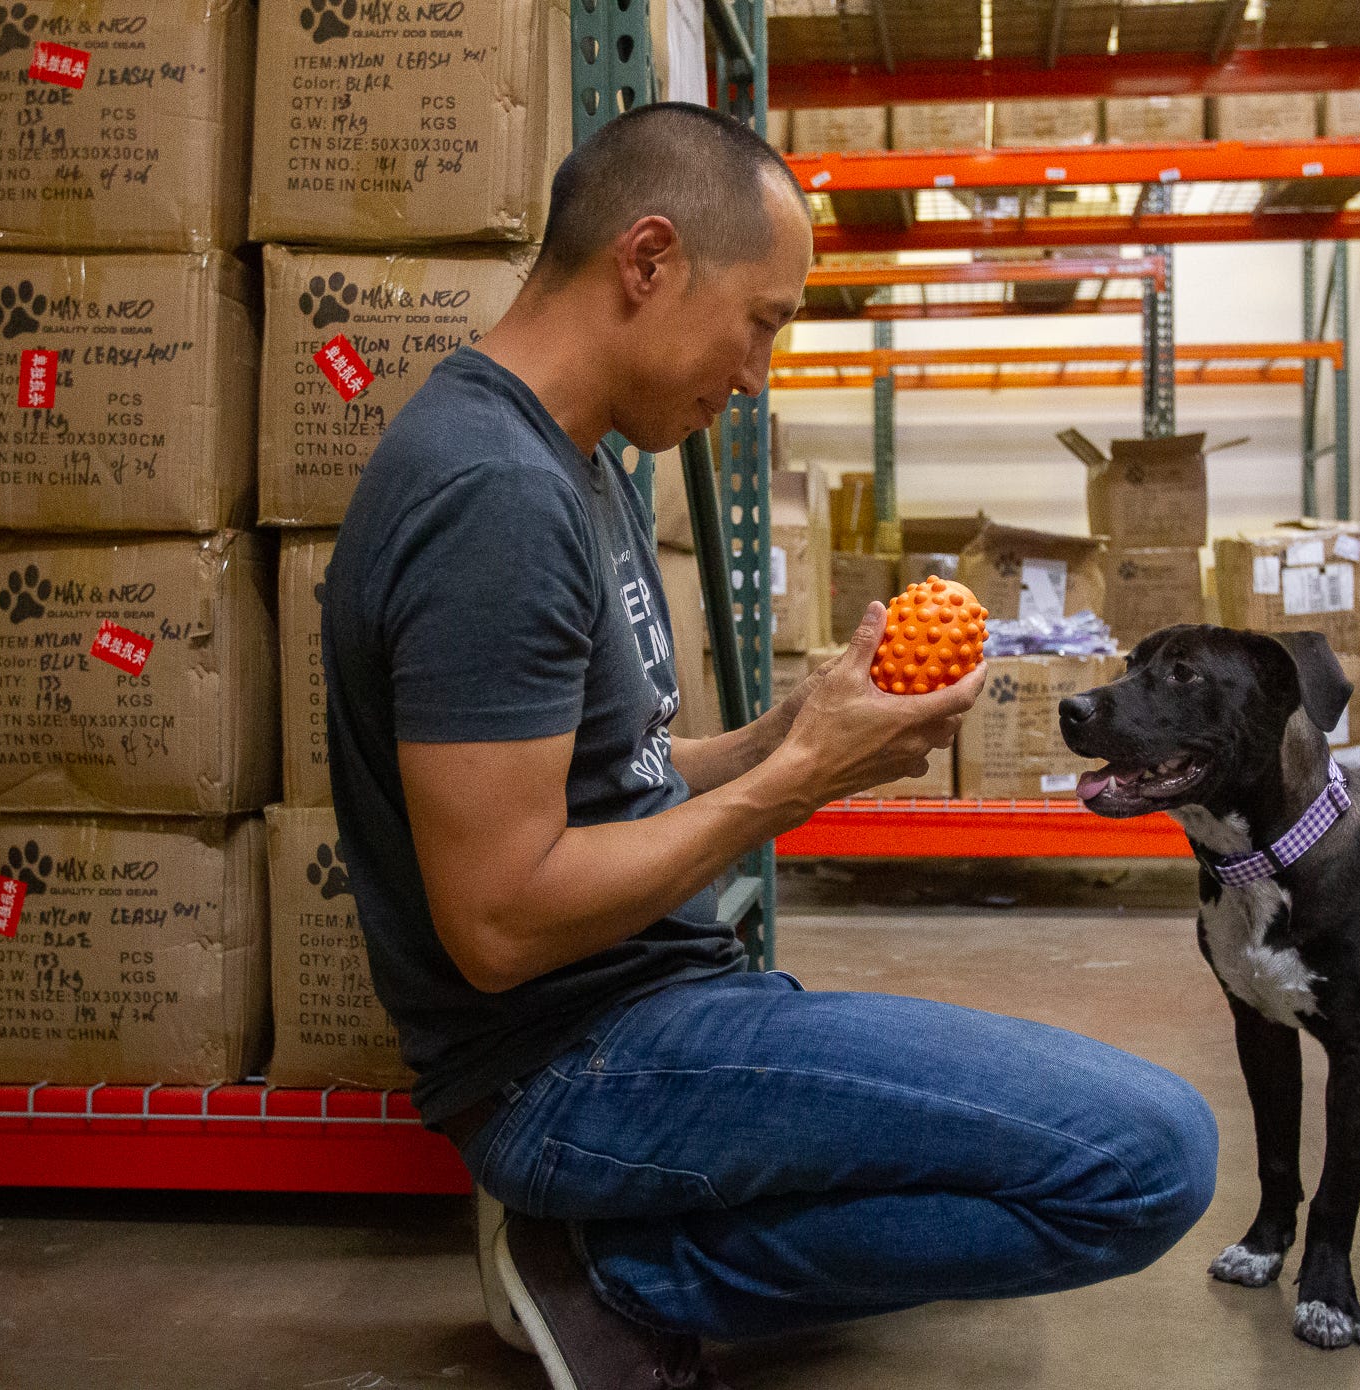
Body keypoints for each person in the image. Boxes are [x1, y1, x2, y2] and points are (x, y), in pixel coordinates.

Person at [322, 102, 1219, 1390]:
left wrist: (784, 731)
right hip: (565, 1067)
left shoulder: (571, 466)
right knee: (1149, 1159)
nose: (757, 376)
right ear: (648, 260)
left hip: (660, 1002)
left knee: (1051, 1133)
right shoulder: (493, 500)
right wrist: (803, 784)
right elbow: (501, 921)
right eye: (763, 320)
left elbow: (612, 781)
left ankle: (639, 1230)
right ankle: (621, 1275)